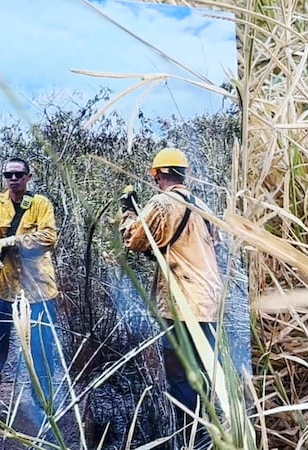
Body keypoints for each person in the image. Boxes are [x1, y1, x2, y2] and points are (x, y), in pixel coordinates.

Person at [119, 147, 222, 442]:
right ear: (183, 173)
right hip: (209, 301)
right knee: (202, 375)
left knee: (180, 378)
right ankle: (206, 437)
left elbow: (135, 240)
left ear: (157, 175)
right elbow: (206, 247)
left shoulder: (162, 203)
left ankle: (188, 439)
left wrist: (128, 211)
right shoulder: (201, 204)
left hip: (182, 304)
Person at [0, 157, 61, 438]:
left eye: (18, 174)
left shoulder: (41, 205)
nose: (13, 179)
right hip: (2, 290)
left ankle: (45, 415)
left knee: (41, 354)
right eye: (8, 174)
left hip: (38, 293)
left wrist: (12, 241)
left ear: (28, 177)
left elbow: (47, 237)